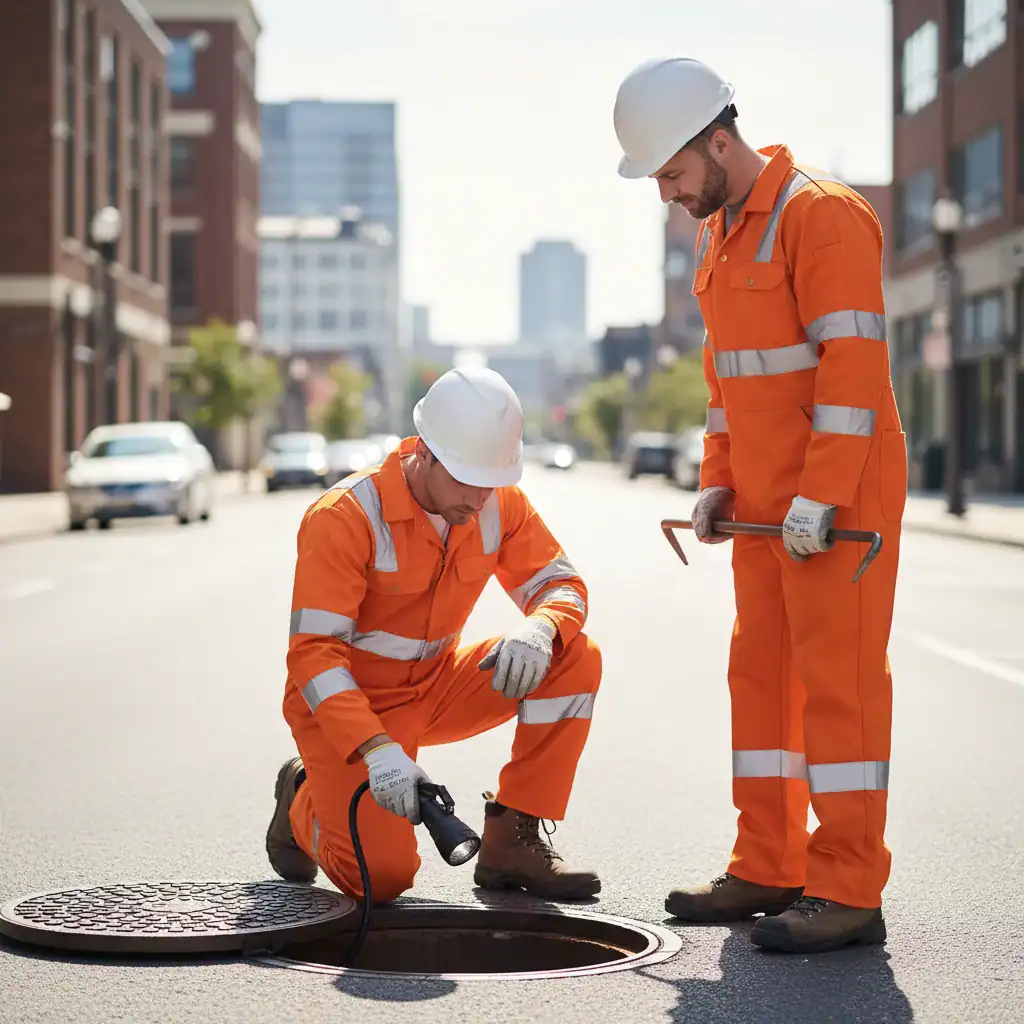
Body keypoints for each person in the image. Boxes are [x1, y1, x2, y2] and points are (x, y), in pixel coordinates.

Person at [613, 58, 906, 954]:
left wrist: (823, 495)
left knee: (839, 690)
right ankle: (768, 863)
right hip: (764, 509)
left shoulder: (821, 215)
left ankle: (847, 887)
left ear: (718, 142)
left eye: (671, 172)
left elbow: (853, 372)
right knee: (763, 681)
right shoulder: (722, 236)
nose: (666, 193)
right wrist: (718, 478)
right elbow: (726, 386)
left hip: (838, 508)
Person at [265, 366, 602, 904]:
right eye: (466, 478)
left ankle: (512, 842)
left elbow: (562, 585)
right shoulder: (345, 517)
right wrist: (376, 749)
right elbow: (313, 657)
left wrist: (542, 626)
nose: (479, 497)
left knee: (574, 655)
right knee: (381, 879)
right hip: (348, 712)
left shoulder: (497, 502)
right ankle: (302, 798)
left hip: (435, 687)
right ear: (423, 451)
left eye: (491, 480)